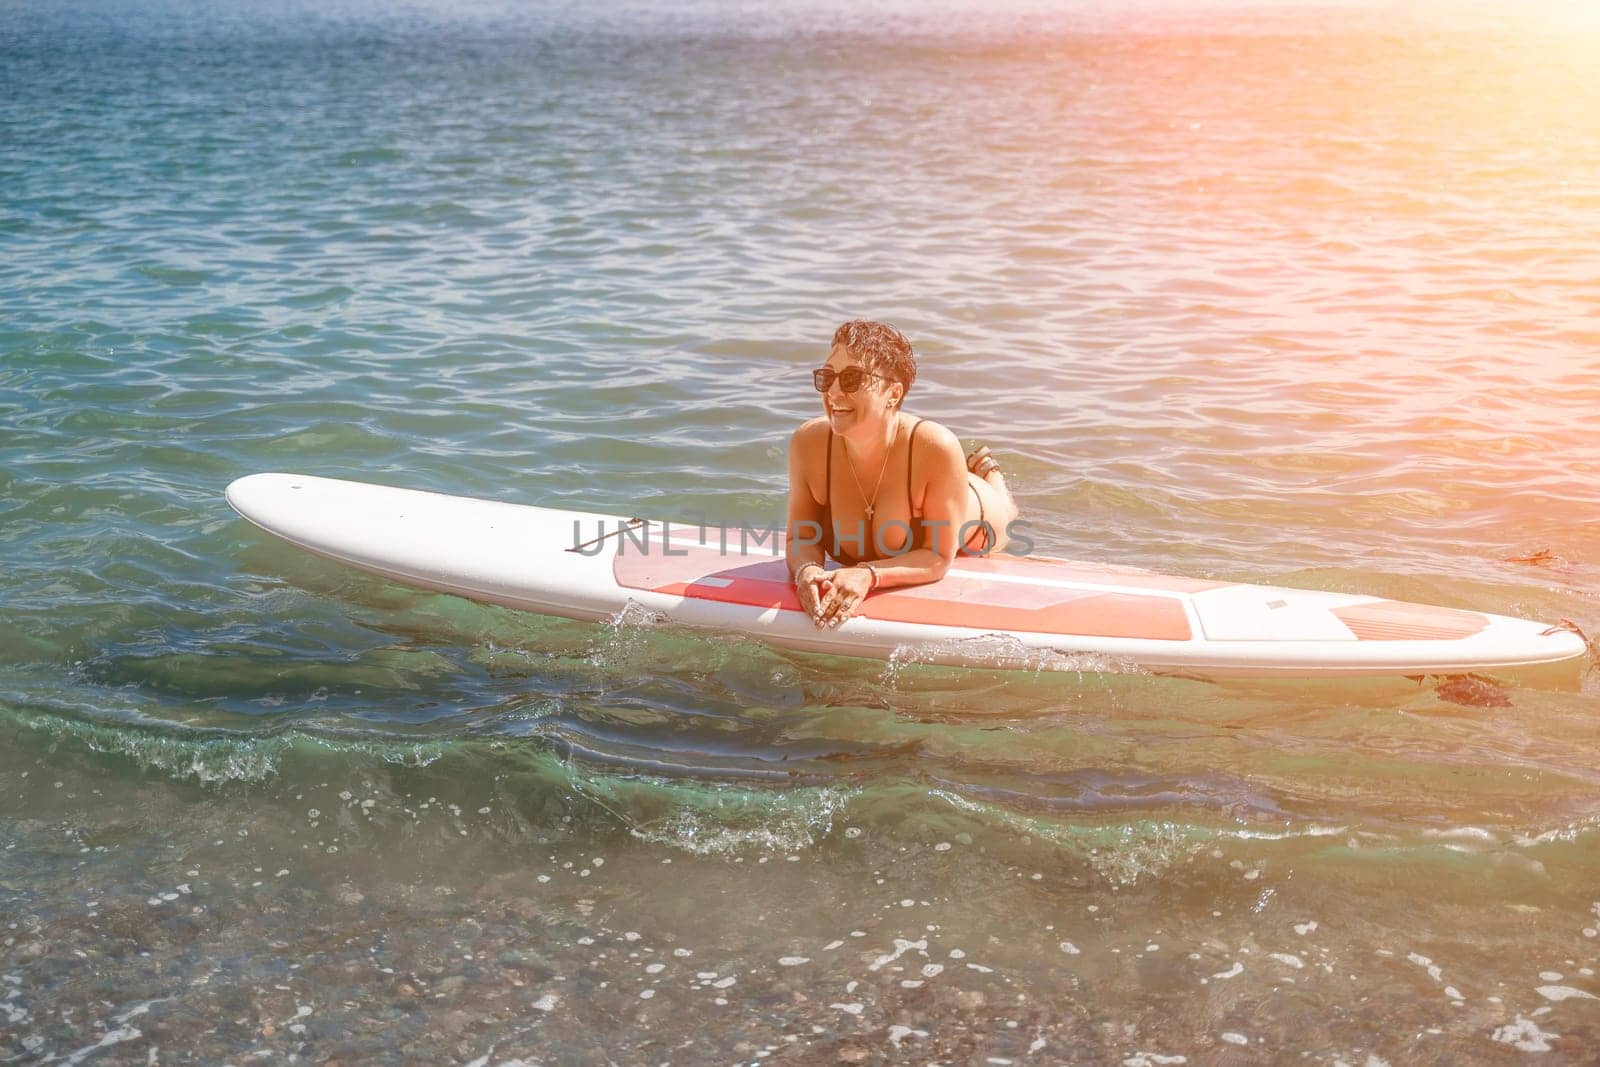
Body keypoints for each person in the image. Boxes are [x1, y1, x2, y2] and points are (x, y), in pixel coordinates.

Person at [786, 320, 1019, 629]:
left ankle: (991, 476)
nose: (834, 391)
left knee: (1006, 513)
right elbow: (801, 536)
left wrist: (868, 574)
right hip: (937, 487)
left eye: (852, 378)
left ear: (893, 394)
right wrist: (807, 571)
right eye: (827, 377)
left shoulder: (934, 445)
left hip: (975, 523)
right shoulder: (809, 443)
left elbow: (937, 556)